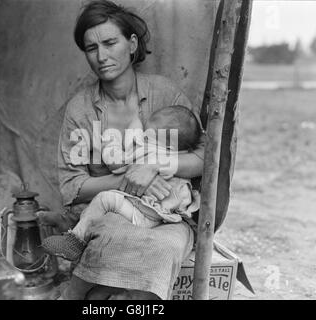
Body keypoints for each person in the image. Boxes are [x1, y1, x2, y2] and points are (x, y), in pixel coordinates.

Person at [40, 0, 205, 300]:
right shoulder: (81, 109)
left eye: (110, 42)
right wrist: (129, 178)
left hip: (169, 216)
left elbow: (204, 158)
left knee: (162, 251)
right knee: (111, 242)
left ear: (131, 44)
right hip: (115, 212)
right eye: (91, 48)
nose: (101, 56)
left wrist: (155, 165)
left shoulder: (166, 94)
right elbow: (72, 188)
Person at [42, 105, 201, 261]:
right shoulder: (174, 156)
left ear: (168, 145)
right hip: (159, 211)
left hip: (146, 215)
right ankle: (71, 225)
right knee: (101, 210)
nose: (143, 137)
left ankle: (74, 242)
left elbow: (116, 163)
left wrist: (111, 142)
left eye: (148, 135)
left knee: (105, 200)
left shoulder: (150, 152)